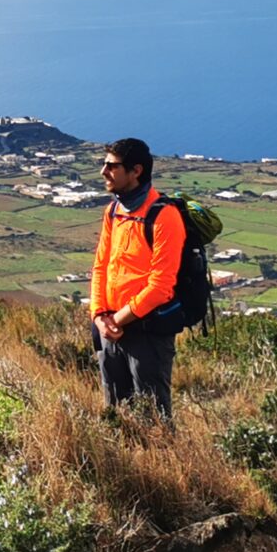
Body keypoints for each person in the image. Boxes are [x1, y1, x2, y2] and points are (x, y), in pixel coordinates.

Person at [89, 136, 185, 419]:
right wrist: (99, 317)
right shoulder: (114, 211)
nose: (103, 172)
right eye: (104, 164)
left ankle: (160, 463)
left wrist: (116, 321)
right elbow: (100, 267)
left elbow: (161, 287)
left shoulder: (164, 216)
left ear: (136, 171)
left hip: (147, 331)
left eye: (112, 166)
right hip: (109, 328)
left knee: (152, 417)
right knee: (115, 412)